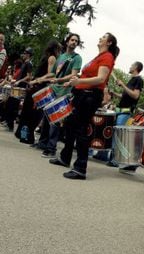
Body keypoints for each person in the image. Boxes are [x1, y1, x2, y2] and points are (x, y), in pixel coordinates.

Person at [49, 32, 119, 180]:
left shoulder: (107, 57)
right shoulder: (98, 57)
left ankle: (80, 168)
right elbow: (87, 76)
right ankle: (65, 158)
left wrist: (79, 82)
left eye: (104, 37)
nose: (100, 37)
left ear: (109, 43)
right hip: (83, 94)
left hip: (91, 96)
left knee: (81, 130)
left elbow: (101, 79)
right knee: (69, 123)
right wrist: (73, 81)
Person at [33, 33, 82, 157]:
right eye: (72, 40)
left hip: (64, 92)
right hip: (53, 90)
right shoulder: (61, 57)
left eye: (76, 41)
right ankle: (43, 143)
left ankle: (51, 149)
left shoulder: (77, 58)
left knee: (55, 121)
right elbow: (52, 74)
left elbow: (73, 75)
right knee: (46, 117)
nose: (74, 42)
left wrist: (59, 81)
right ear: (67, 42)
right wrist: (40, 79)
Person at [16, 40, 61, 144]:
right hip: (38, 87)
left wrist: (36, 80)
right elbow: (51, 74)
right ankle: (26, 136)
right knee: (32, 113)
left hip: (37, 86)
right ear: (55, 48)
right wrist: (37, 80)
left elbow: (49, 74)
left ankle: (24, 136)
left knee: (29, 113)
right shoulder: (51, 57)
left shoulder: (48, 57)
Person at [106, 61, 144, 168]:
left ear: (136, 67)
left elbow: (135, 96)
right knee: (115, 134)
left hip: (126, 111)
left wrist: (123, 85)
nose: (130, 66)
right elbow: (125, 96)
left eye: (132, 65)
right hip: (120, 110)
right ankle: (112, 158)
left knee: (119, 135)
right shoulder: (131, 80)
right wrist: (114, 94)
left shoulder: (138, 80)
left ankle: (115, 160)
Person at [4, 47, 33, 132]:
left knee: (14, 105)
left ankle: (10, 125)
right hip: (17, 85)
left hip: (21, 87)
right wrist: (15, 81)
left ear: (28, 54)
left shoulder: (29, 64)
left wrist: (19, 81)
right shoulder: (25, 63)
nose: (23, 55)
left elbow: (29, 76)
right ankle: (9, 122)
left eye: (24, 53)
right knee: (10, 103)